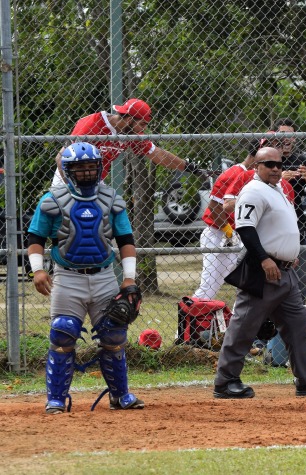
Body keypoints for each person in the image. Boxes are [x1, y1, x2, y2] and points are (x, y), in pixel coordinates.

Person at [213, 147, 306, 399]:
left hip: (285, 271)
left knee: (298, 324)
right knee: (244, 326)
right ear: (256, 167)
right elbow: (245, 228)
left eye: (278, 165)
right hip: (264, 271)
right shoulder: (252, 190)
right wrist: (264, 259)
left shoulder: (277, 189)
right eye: (268, 164)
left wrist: (286, 255)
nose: (275, 169)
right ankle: (225, 381)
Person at [27, 142, 144, 413]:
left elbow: (126, 240)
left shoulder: (111, 199)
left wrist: (128, 278)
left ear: (100, 168)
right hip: (67, 277)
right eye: (80, 168)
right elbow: (36, 237)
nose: (87, 172)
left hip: (104, 276)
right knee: (63, 333)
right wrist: (38, 270)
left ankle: (120, 395)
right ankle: (56, 399)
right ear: (68, 171)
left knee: (114, 335)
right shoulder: (52, 200)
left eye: (91, 166)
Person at [52, 98, 208, 186]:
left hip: (94, 182)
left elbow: (158, 155)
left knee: (107, 220)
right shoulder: (93, 125)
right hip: (67, 179)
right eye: (141, 124)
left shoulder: (130, 134)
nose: (142, 130)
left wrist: (190, 167)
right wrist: (73, 188)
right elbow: (61, 157)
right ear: (128, 119)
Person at [267, 118, 306, 303]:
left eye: (291, 135)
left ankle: (296, 315)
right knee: (272, 280)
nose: (287, 139)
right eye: (282, 134)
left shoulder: (301, 161)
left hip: (296, 225)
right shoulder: (266, 160)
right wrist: (279, 177)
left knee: (301, 279)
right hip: (271, 227)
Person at [192, 149, 257, 301]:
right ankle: (189, 319)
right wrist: (228, 231)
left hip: (239, 234)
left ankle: (239, 321)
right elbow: (214, 207)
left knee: (248, 283)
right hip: (219, 234)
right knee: (209, 287)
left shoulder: (255, 176)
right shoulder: (233, 173)